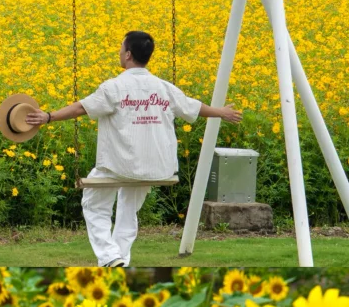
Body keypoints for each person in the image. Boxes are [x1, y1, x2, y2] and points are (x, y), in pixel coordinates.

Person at [24, 29, 242, 268]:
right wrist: (221, 112)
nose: (119, 52)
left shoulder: (114, 87)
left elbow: (81, 108)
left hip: (120, 166)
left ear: (128, 54)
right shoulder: (163, 87)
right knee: (129, 210)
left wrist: (48, 116)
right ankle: (119, 259)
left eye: (121, 48)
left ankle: (109, 256)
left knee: (94, 204)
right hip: (157, 167)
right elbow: (193, 106)